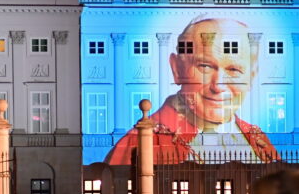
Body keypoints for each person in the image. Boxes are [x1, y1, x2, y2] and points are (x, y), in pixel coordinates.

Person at [104, 17, 279, 165]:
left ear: (251, 77)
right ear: (177, 69)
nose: (218, 85)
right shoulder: (140, 141)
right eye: (205, 66)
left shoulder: (257, 139)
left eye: (234, 70)